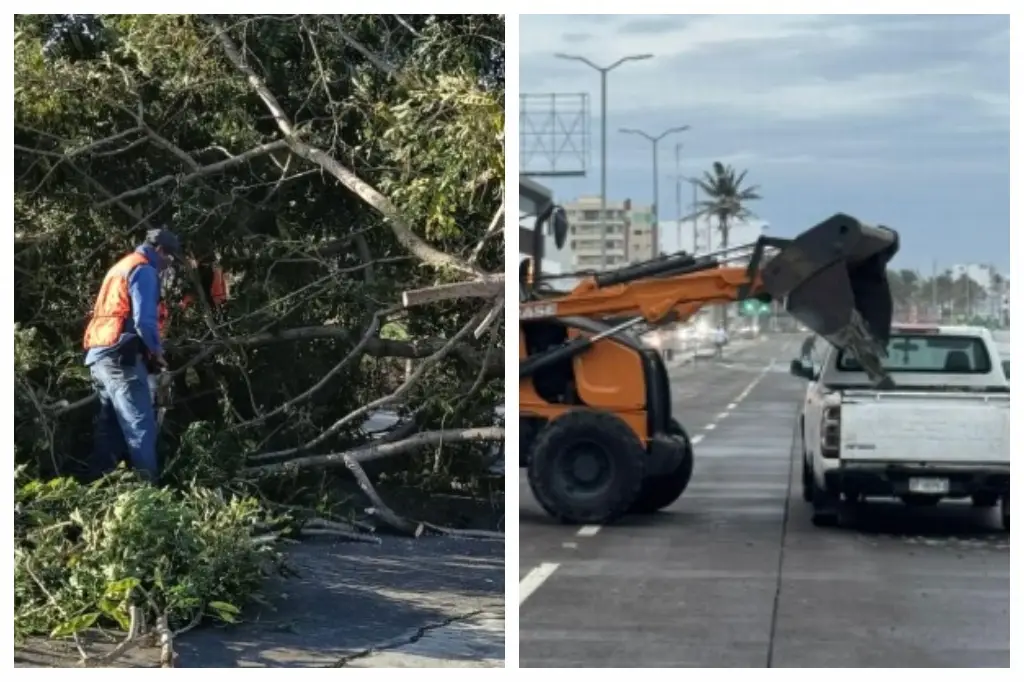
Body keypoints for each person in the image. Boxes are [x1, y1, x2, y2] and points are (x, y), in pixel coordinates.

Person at [83, 228, 182, 483]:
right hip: (121, 357)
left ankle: (98, 487)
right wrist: (157, 353)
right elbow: (144, 322)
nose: (168, 265)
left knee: (111, 428)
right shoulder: (145, 270)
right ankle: (150, 495)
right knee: (140, 426)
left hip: (100, 353)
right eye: (170, 258)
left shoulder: (122, 266)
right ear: (160, 251)